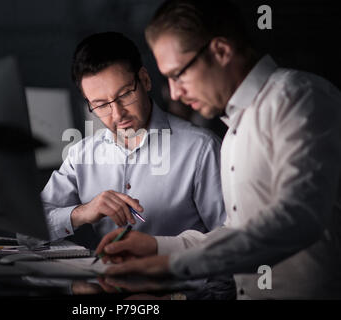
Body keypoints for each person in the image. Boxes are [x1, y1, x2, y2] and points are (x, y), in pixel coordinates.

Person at [96, 0, 341, 299]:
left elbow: (297, 218)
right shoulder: (234, 128)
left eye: (178, 74)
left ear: (221, 51)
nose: (174, 93)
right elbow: (238, 231)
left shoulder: (299, 98)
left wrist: (171, 266)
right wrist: (158, 247)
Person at [18, 32, 226, 249]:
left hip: (181, 281)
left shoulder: (201, 149)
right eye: (100, 104)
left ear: (145, 80)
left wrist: (159, 250)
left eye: (125, 95)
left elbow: (231, 241)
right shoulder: (82, 155)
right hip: (107, 281)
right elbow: (27, 232)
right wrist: (82, 213)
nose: (117, 114)